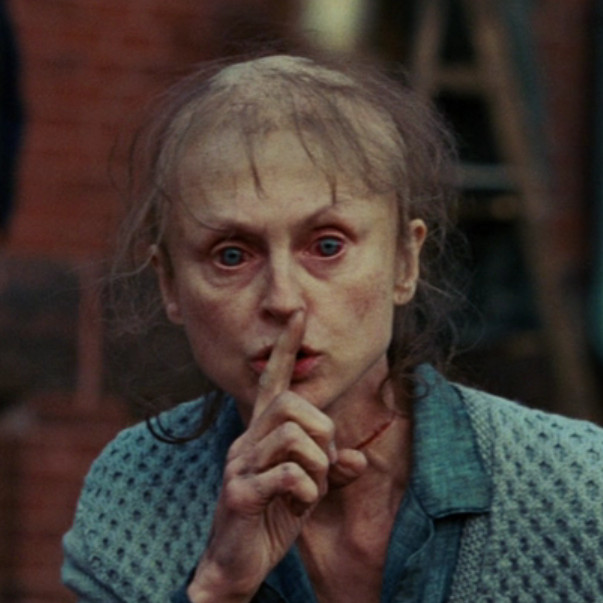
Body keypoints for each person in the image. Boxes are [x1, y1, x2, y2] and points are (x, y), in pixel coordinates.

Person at [62, 52, 603, 603]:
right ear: (170, 284)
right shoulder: (135, 496)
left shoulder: (578, 491)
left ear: (404, 261)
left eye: (327, 246)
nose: (283, 300)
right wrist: (218, 586)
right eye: (231, 255)